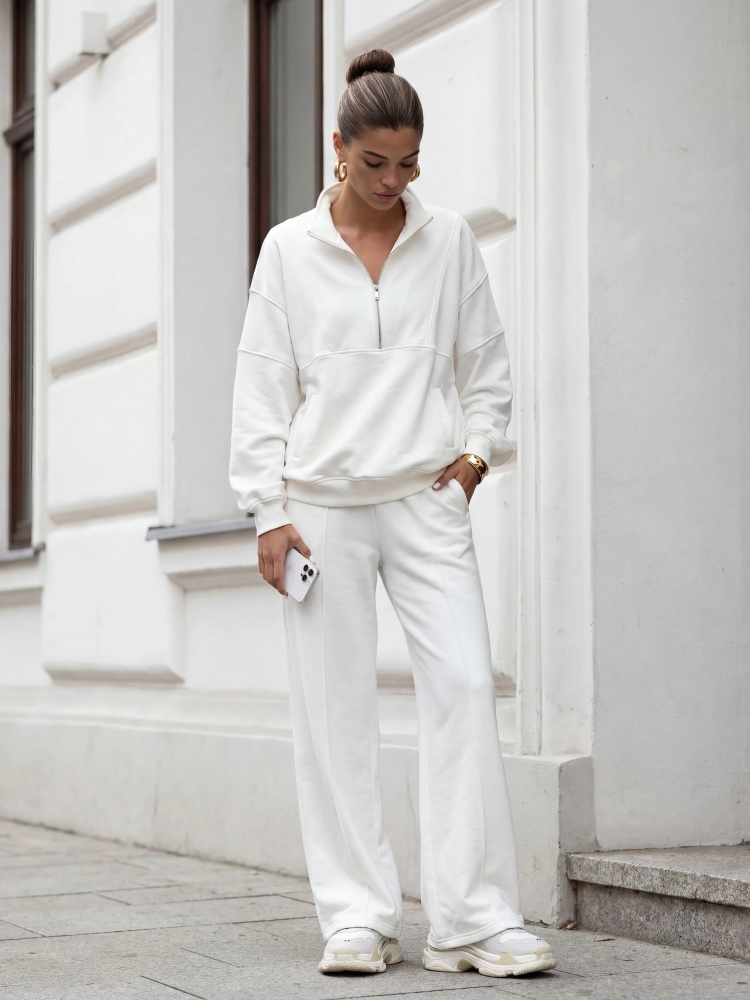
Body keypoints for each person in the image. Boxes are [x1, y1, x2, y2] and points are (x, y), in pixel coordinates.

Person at [229, 48, 555, 980]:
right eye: (374, 162)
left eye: (408, 162)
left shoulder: (448, 241)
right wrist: (266, 509)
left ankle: (473, 920)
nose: (392, 180)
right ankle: (357, 917)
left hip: (424, 500)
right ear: (338, 147)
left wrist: (475, 458)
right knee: (334, 713)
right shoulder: (289, 250)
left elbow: (485, 365)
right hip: (321, 508)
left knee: (463, 686)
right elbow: (262, 387)